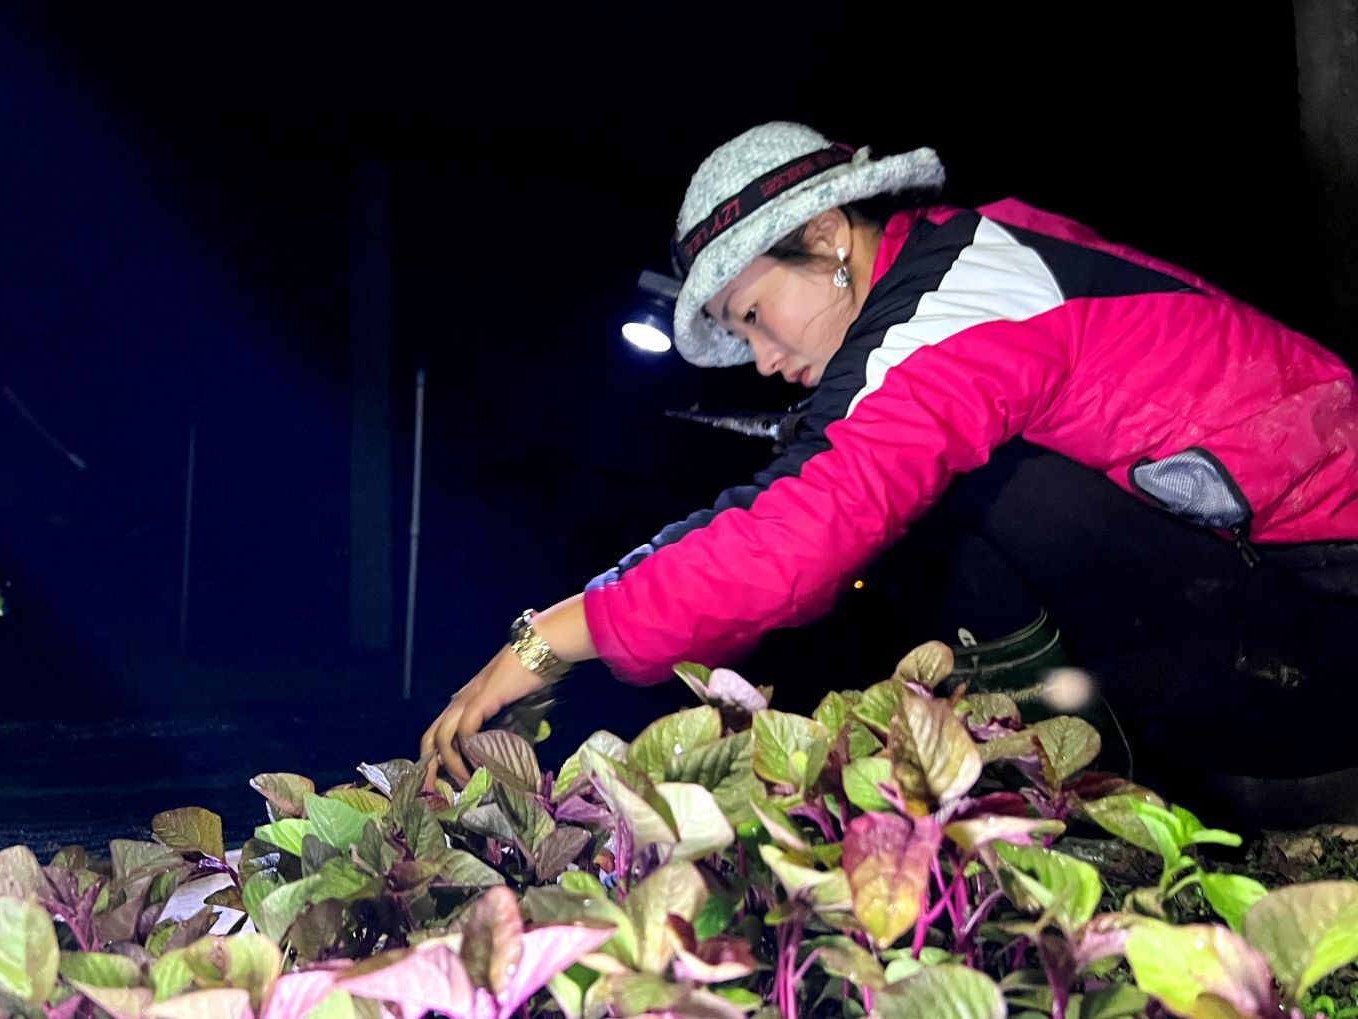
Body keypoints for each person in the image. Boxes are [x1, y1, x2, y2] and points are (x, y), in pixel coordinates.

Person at [420, 122, 1358, 826]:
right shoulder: (939, 275)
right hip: (1278, 616)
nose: (758, 355)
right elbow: (778, 496)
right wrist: (589, 604)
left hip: (1324, 627)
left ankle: (1092, 794)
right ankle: (1081, 773)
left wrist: (552, 637)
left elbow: (791, 538)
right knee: (894, 491)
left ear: (828, 237)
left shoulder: (953, 309)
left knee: (934, 496)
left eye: (752, 313)